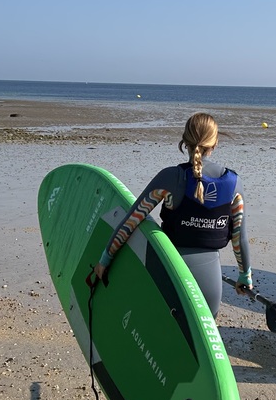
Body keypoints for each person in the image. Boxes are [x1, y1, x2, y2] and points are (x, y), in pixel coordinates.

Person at [93, 112, 253, 314]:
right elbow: (240, 239)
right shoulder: (234, 183)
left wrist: (105, 260)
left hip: (168, 269)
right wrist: (244, 275)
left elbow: (131, 222)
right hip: (210, 283)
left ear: (184, 141)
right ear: (215, 143)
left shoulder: (171, 177)